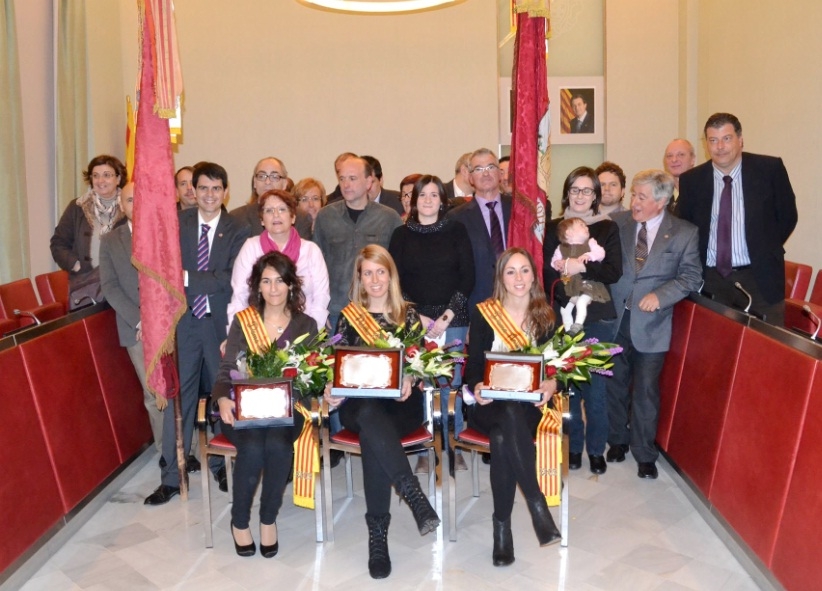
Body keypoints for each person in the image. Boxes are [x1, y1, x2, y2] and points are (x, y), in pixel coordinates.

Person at [324, 245, 440, 579]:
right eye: (367, 273)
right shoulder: (348, 317)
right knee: (370, 417)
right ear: (359, 278)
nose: (374, 279)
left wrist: (412, 375)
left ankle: (378, 536)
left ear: (391, 275)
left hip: (401, 405)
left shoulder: (410, 315)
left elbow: (424, 366)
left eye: (380, 271)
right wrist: (330, 388)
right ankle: (412, 494)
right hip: (359, 405)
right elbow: (337, 365)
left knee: (374, 435)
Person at [144, 162, 250, 505]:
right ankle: (171, 478)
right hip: (183, 326)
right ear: (192, 190)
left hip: (220, 328)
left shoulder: (237, 229)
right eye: (201, 188)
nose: (208, 195)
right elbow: (164, 270)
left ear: (225, 192)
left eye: (216, 189)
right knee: (180, 399)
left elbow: (229, 279)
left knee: (224, 398)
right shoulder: (179, 224)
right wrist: (189, 278)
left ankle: (223, 467)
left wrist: (187, 278)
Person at [215, 252, 317, 558]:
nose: (274, 289)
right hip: (243, 410)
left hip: (287, 412)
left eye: (280, 281)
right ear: (257, 287)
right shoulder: (243, 322)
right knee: (253, 448)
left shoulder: (306, 324)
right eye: (266, 281)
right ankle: (240, 521)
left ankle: (268, 518)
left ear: (291, 285)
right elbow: (226, 369)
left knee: (277, 446)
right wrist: (221, 398)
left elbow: (312, 379)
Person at [465, 247, 562, 566]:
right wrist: (477, 386)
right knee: (505, 417)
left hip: (528, 408)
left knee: (503, 436)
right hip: (489, 404)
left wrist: (552, 383)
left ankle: (501, 529)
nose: (518, 278)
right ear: (501, 278)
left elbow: (561, 366)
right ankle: (537, 504)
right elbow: (473, 367)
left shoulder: (547, 314)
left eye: (524, 270)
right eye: (511, 271)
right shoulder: (484, 313)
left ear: (534, 275)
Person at [606, 170, 702, 479]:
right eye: (634, 194)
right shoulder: (617, 223)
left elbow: (691, 277)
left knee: (646, 391)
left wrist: (660, 296)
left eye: (641, 197)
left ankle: (644, 453)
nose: (633, 202)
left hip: (653, 325)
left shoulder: (684, 233)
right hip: (617, 320)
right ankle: (617, 441)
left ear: (661, 201)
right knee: (615, 385)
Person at [389, 174, 475, 472]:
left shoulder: (456, 230)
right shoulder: (401, 235)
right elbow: (394, 282)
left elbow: (467, 277)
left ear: (442, 200)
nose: (427, 200)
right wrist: (419, 317)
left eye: (433, 195)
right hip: (415, 319)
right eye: (421, 195)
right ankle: (425, 446)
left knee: (450, 384)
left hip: (453, 318)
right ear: (413, 201)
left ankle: (453, 442)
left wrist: (446, 317)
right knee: (422, 382)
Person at [678, 113, 798, 326]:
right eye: (713, 140)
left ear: (740, 139)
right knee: (717, 346)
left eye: (726, 138)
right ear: (707, 145)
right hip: (711, 279)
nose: (720, 147)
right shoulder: (692, 180)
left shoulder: (769, 170)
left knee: (764, 348)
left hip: (759, 277)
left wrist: (765, 247)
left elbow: (787, 215)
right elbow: (684, 227)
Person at [542, 166, 622, 475]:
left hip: (597, 314)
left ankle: (595, 450)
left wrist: (580, 269)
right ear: (567, 192)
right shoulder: (552, 228)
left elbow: (614, 271)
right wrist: (565, 276)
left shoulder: (605, 228)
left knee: (596, 391)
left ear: (596, 196)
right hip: (563, 314)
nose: (580, 196)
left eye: (587, 191)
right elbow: (546, 271)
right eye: (575, 189)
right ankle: (573, 448)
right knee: (569, 389)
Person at [99, 182, 166, 451]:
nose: (135, 206)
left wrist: (159, 320)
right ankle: (167, 454)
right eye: (129, 200)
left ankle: (188, 452)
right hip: (135, 329)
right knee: (153, 394)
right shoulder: (110, 241)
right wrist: (141, 320)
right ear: (121, 205)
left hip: (169, 327)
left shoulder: (167, 235)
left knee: (178, 391)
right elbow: (110, 286)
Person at [312, 155, 402, 331]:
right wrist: (320, 311)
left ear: (369, 182)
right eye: (342, 179)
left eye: (352, 178)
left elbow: (400, 266)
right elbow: (315, 267)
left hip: (379, 312)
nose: (346, 184)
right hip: (336, 312)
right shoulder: (325, 216)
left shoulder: (389, 218)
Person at [227, 189, 329, 330]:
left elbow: (321, 297)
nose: (275, 215)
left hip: (303, 330)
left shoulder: (311, 251)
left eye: (282, 209)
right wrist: (238, 334)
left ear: (293, 217)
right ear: (262, 220)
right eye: (269, 211)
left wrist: (310, 333)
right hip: (259, 332)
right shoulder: (251, 247)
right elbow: (240, 295)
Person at [50, 154, 127, 301]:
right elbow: (58, 243)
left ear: (118, 179)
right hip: (85, 286)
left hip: (121, 286)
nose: (101, 180)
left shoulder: (130, 206)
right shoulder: (78, 207)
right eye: (96, 176)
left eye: (107, 175)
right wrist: (76, 265)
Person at [447, 148, 511, 311]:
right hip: (476, 306)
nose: (485, 173)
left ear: (500, 174)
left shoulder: (518, 210)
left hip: (516, 301)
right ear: (470, 178)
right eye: (478, 169)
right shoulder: (456, 218)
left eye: (490, 167)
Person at [550, 217, 610, 334]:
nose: (586, 227)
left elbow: (601, 253)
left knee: (581, 302)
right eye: (581, 225)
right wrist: (557, 263)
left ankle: (578, 324)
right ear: (569, 233)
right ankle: (568, 330)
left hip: (587, 285)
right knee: (565, 309)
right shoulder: (560, 248)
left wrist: (589, 256)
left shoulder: (590, 243)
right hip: (569, 286)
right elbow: (553, 262)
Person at [229, 157, 312, 240]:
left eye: (274, 177)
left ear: (284, 183)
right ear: (255, 182)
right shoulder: (237, 217)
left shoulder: (300, 217)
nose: (267, 182)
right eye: (262, 176)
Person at [662, 138, 695, 213]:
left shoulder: (701, 192)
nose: (674, 160)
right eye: (669, 156)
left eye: (681, 155)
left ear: (693, 159)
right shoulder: (661, 194)